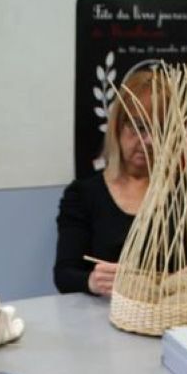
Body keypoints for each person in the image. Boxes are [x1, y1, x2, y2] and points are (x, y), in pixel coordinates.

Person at [54, 69, 163, 296]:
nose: (149, 140)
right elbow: (64, 275)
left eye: (160, 129)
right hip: (102, 313)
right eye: (139, 126)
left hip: (172, 313)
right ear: (117, 127)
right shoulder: (82, 196)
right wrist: (92, 281)